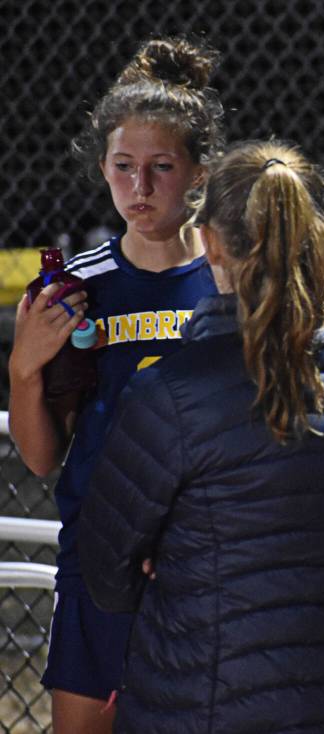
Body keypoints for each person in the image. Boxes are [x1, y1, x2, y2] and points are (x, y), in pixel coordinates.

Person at [76, 141, 324, 733]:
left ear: (209, 242)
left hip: (201, 707)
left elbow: (106, 572)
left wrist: (176, 558)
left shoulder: (168, 395)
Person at [6, 37, 223, 734]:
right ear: (102, 168)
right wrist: (23, 365)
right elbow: (42, 458)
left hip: (206, 559)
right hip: (101, 558)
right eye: (123, 167)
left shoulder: (230, 281)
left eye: (162, 167)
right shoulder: (78, 291)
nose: (141, 188)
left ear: (199, 172)